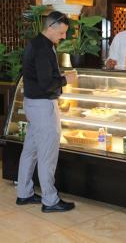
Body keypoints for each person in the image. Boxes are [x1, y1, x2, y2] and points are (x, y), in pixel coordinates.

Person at [16, 11, 75, 213]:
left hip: (33, 104)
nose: (64, 37)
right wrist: (67, 79)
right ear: (51, 27)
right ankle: (50, 200)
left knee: (30, 151)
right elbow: (47, 84)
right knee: (47, 155)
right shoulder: (43, 48)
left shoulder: (36, 43)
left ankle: (24, 193)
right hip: (42, 107)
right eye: (62, 32)